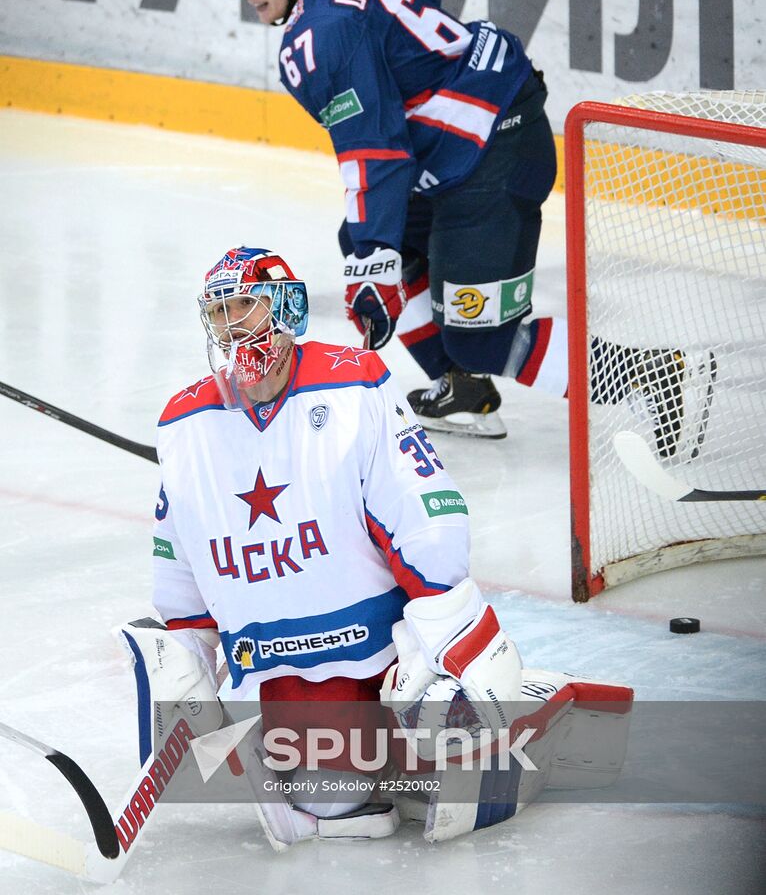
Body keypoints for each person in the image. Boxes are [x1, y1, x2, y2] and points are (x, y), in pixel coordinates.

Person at [118, 245, 633, 850]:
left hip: (391, 647)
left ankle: (538, 712)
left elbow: (421, 509)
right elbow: (178, 553)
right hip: (293, 663)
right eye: (220, 315)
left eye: (247, 311)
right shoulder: (186, 425)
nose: (233, 331)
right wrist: (189, 647)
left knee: (455, 755)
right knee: (333, 800)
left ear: (285, 311)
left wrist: (450, 635)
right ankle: (382, 759)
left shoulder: (350, 384)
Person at [223, 0, 560, 439]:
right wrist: (374, 250)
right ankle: (462, 388)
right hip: (481, 128)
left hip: (493, 149)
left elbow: (374, 150)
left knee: (484, 337)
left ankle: (649, 377)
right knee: (358, 239)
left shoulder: (319, 38)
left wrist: (378, 257)